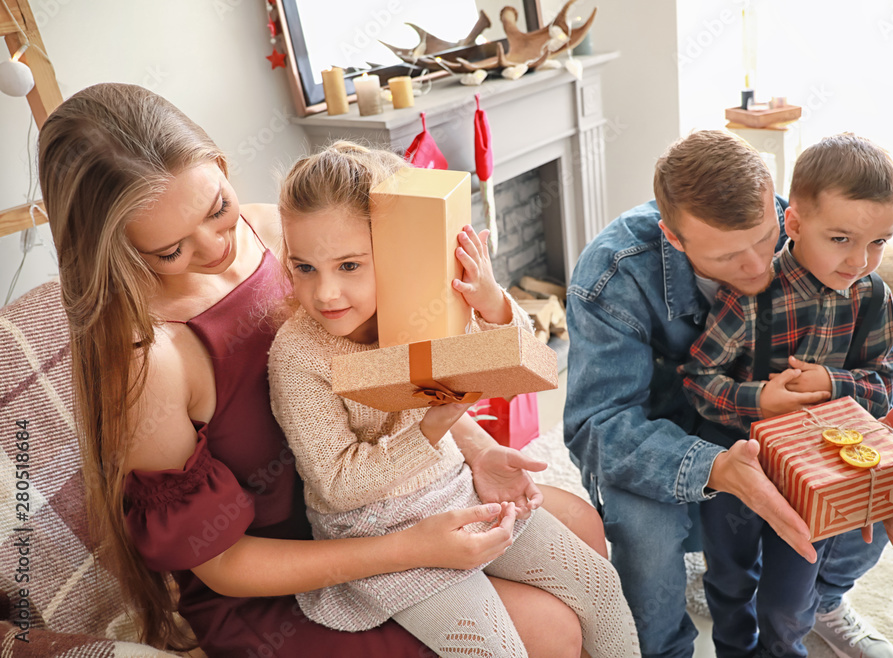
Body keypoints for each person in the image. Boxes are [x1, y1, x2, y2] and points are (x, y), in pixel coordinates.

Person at [39, 82, 607, 657]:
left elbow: (394, 369)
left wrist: (479, 450)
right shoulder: (148, 362)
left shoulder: (280, 232)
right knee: (550, 629)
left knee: (581, 526)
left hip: (390, 495)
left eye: (218, 209)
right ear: (115, 248)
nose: (216, 246)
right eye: (171, 251)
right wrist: (414, 548)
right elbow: (225, 566)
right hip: (285, 577)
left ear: (219, 164)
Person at [563, 129, 893, 658]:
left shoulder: (804, 226)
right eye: (729, 257)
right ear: (675, 239)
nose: (759, 267)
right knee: (644, 528)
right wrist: (717, 467)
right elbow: (596, 430)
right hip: (664, 443)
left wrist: (886, 446)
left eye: (765, 239)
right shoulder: (612, 276)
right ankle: (664, 648)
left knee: (879, 488)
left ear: (781, 214)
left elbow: (869, 373)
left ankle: (822, 602)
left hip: (781, 433)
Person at [266, 142, 640, 657]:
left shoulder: (421, 306)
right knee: (495, 648)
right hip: (377, 536)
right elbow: (337, 485)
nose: (326, 293)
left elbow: (532, 362)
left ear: (395, 250)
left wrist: (491, 305)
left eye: (348, 265)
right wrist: (433, 426)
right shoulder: (297, 355)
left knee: (599, 585)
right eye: (304, 267)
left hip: (456, 495)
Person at [680, 133, 893, 658]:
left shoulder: (874, 297)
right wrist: (759, 399)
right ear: (796, 222)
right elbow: (697, 379)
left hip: (816, 467)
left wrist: (833, 383)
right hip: (742, 457)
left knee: (788, 598)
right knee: (731, 578)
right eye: (841, 239)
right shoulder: (751, 296)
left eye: (879, 243)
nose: (860, 261)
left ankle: (791, 641)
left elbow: (882, 385)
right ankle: (736, 648)